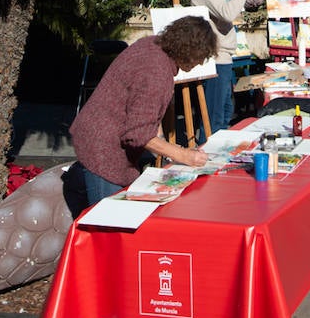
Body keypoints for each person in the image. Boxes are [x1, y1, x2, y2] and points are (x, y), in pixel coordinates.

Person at [70, 16, 217, 205]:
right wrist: (182, 155)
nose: (201, 63)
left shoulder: (153, 46)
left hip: (96, 133)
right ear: (189, 50)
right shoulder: (157, 71)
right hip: (102, 148)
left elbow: (144, 110)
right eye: (201, 56)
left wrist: (165, 145)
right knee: (108, 218)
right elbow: (138, 134)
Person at [192, 0, 264, 133]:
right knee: (215, 119)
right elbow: (228, 13)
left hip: (221, 58)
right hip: (215, 59)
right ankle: (207, 149)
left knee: (224, 115)